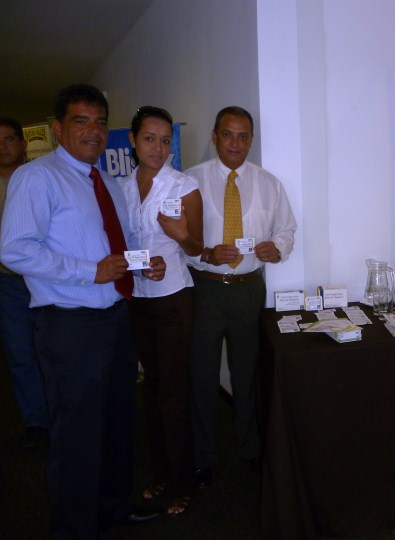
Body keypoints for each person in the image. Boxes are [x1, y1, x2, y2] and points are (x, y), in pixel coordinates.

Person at [0, 84, 166, 539]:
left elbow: (117, 244)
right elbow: (15, 250)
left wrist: (143, 263)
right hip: (68, 324)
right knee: (76, 435)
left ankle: (113, 508)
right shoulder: (36, 178)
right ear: (58, 129)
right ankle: (74, 529)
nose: (93, 131)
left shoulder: (106, 182)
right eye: (81, 121)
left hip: (115, 319)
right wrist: (89, 271)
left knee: (117, 423)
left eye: (100, 122)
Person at [186, 106, 296, 488]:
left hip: (249, 289)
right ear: (215, 136)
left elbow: (287, 228)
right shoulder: (191, 180)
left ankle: (250, 451)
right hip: (205, 289)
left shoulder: (269, 183)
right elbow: (180, 238)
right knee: (201, 375)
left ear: (251, 140)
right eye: (228, 134)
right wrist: (205, 253)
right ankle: (203, 456)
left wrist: (277, 248)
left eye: (243, 136)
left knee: (247, 374)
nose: (235, 143)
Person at [119, 106, 203, 515]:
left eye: (165, 140)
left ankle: (183, 483)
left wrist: (181, 236)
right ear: (133, 140)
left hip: (172, 299)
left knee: (172, 392)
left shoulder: (183, 186)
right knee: (151, 389)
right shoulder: (120, 188)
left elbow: (197, 248)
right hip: (137, 299)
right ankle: (161, 474)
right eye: (149, 139)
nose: (158, 148)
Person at [0, 116, 50, 449]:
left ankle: (63, 417)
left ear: (22, 143)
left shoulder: (40, 178)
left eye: (8, 139)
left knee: (54, 351)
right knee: (20, 354)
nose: (2, 146)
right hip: (8, 284)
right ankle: (37, 423)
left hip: (45, 279)